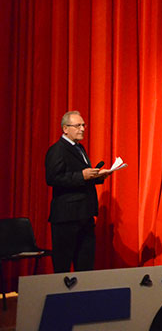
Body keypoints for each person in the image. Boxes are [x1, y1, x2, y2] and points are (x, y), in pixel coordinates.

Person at [45, 111, 111, 272]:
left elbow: (81, 177)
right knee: (63, 265)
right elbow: (53, 178)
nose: (82, 129)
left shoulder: (79, 148)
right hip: (67, 216)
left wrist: (97, 176)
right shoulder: (57, 150)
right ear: (65, 128)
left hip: (84, 214)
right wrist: (82, 176)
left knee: (85, 263)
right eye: (77, 126)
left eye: (83, 125)